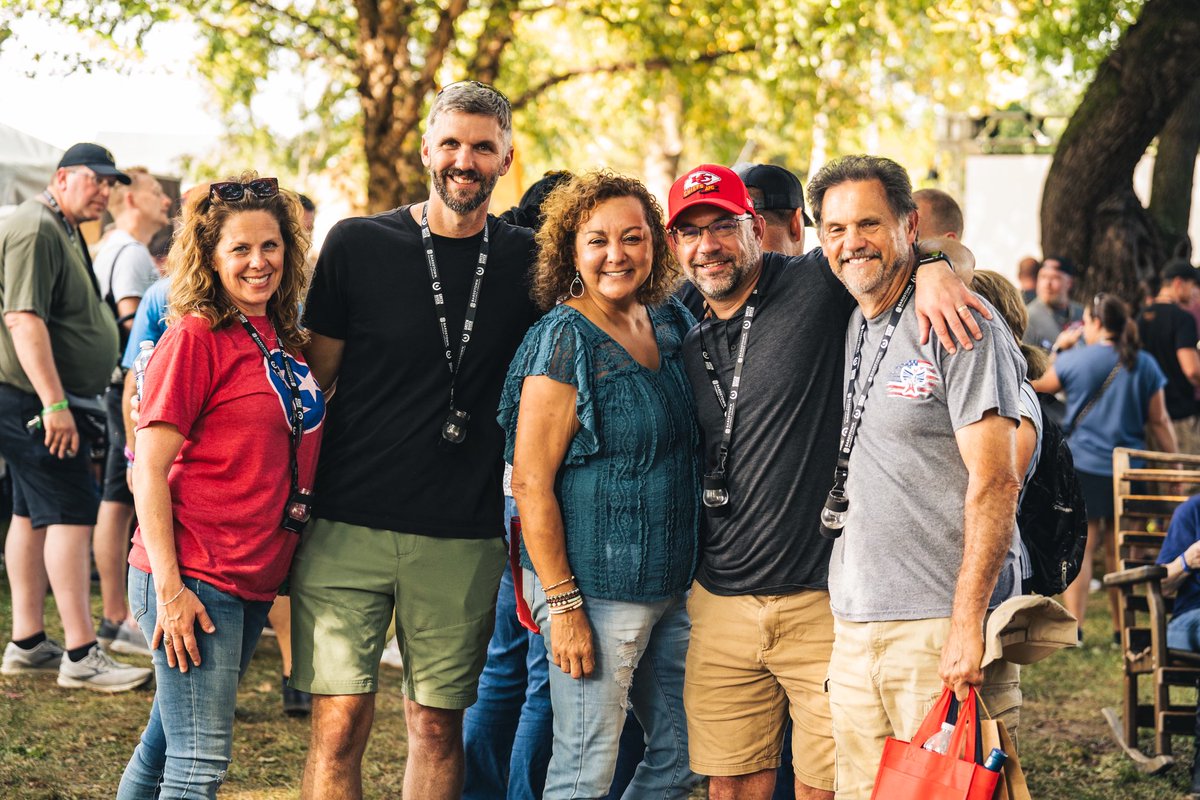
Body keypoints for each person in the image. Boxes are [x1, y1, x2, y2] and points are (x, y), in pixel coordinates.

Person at [667, 162, 983, 800]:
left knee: (829, 785)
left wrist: (937, 269)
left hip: (820, 601)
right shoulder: (677, 329)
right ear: (675, 246)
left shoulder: (813, 282)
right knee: (729, 785)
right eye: (691, 232)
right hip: (719, 600)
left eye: (724, 226)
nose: (709, 246)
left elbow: (930, 243)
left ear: (756, 226)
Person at [293, 80, 540, 800]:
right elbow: (313, 383)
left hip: (461, 533)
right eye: (453, 144)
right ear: (429, 149)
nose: (466, 160)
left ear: (505, 159)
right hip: (348, 520)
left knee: (435, 729)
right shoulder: (358, 243)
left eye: (484, 148)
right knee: (338, 723)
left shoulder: (530, 262)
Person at [806, 154, 1026, 800]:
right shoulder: (854, 321)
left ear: (910, 224)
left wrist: (966, 625)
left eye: (869, 223)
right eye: (836, 228)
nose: (852, 243)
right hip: (855, 630)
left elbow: (996, 481)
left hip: (936, 631)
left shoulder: (959, 324)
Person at [117, 173, 325, 797]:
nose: (259, 262)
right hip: (196, 576)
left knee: (163, 746)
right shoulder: (196, 336)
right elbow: (146, 469)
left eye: (271, 246)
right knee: (198, 764)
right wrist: (173, 591)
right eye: (239, 249)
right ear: (210, 257)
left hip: (251, 574)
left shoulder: (279, 337)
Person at [503, 170, 701, 799]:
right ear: (571, 251)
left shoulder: (666, 319)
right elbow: (531, 483)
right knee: (584, 769)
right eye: (597, 240)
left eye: (633, 238)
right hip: (594, 591)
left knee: (686, 752)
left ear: (655, 245)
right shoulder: (563, 339)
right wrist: (563, 607)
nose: (616, 254)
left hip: (672, 585)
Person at [0, 143, 150, 692]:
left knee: (28, 512)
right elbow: (22, 319)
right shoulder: (35, 227)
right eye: (96, 180)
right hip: (35, 400)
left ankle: (28, 641)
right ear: (62, 177)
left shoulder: (57, 225)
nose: (105, 192)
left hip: (32, 398)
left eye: (111, 184)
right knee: (70, 512)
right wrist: (55, 403)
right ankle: (83, 655)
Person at [464, 169, 573, 800]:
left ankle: (477, 788)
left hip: (506, 496)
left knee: (503, 664)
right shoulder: (554, 312)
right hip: (539, 498)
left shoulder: (503, 291)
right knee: (541, 671)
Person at [1032, 293, 1176, 633]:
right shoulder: (1144, 362)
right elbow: (1159, 421)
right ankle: (1120, 626)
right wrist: (1174, 467)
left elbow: (1036, 387)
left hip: (1084, 466)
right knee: (1121, 549)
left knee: (1082, 548)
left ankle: (1076, 625)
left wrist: (1060, 353)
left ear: (1095, 323)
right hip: (1128, 468)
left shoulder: (1075, 360)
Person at [91, 166, 172, 658]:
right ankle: (118, 615)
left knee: (118, 499)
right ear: (132, 200)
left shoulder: (119, 247)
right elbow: (134, 337)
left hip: (127, 391)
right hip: (132, 394)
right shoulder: (127, 252)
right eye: (157, 193)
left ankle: (117, 614)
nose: (166, 201)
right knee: (121, 499)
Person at [1137, 259, 1200, 454]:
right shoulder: (1183, 318)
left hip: (1148, 417)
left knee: (1156, 481)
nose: (1194, 294)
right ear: (1179, 283)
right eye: (1193, 286)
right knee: (1188, 482)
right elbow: (1192, 370)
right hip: (1178, 417)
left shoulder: (1141, 316)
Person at [1023, 256, 1084, 352]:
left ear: (1069, 282)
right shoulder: (1028, 318)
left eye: (1055, 278)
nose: (1047, 284)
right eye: (1043, 277)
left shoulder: (1081, 314)